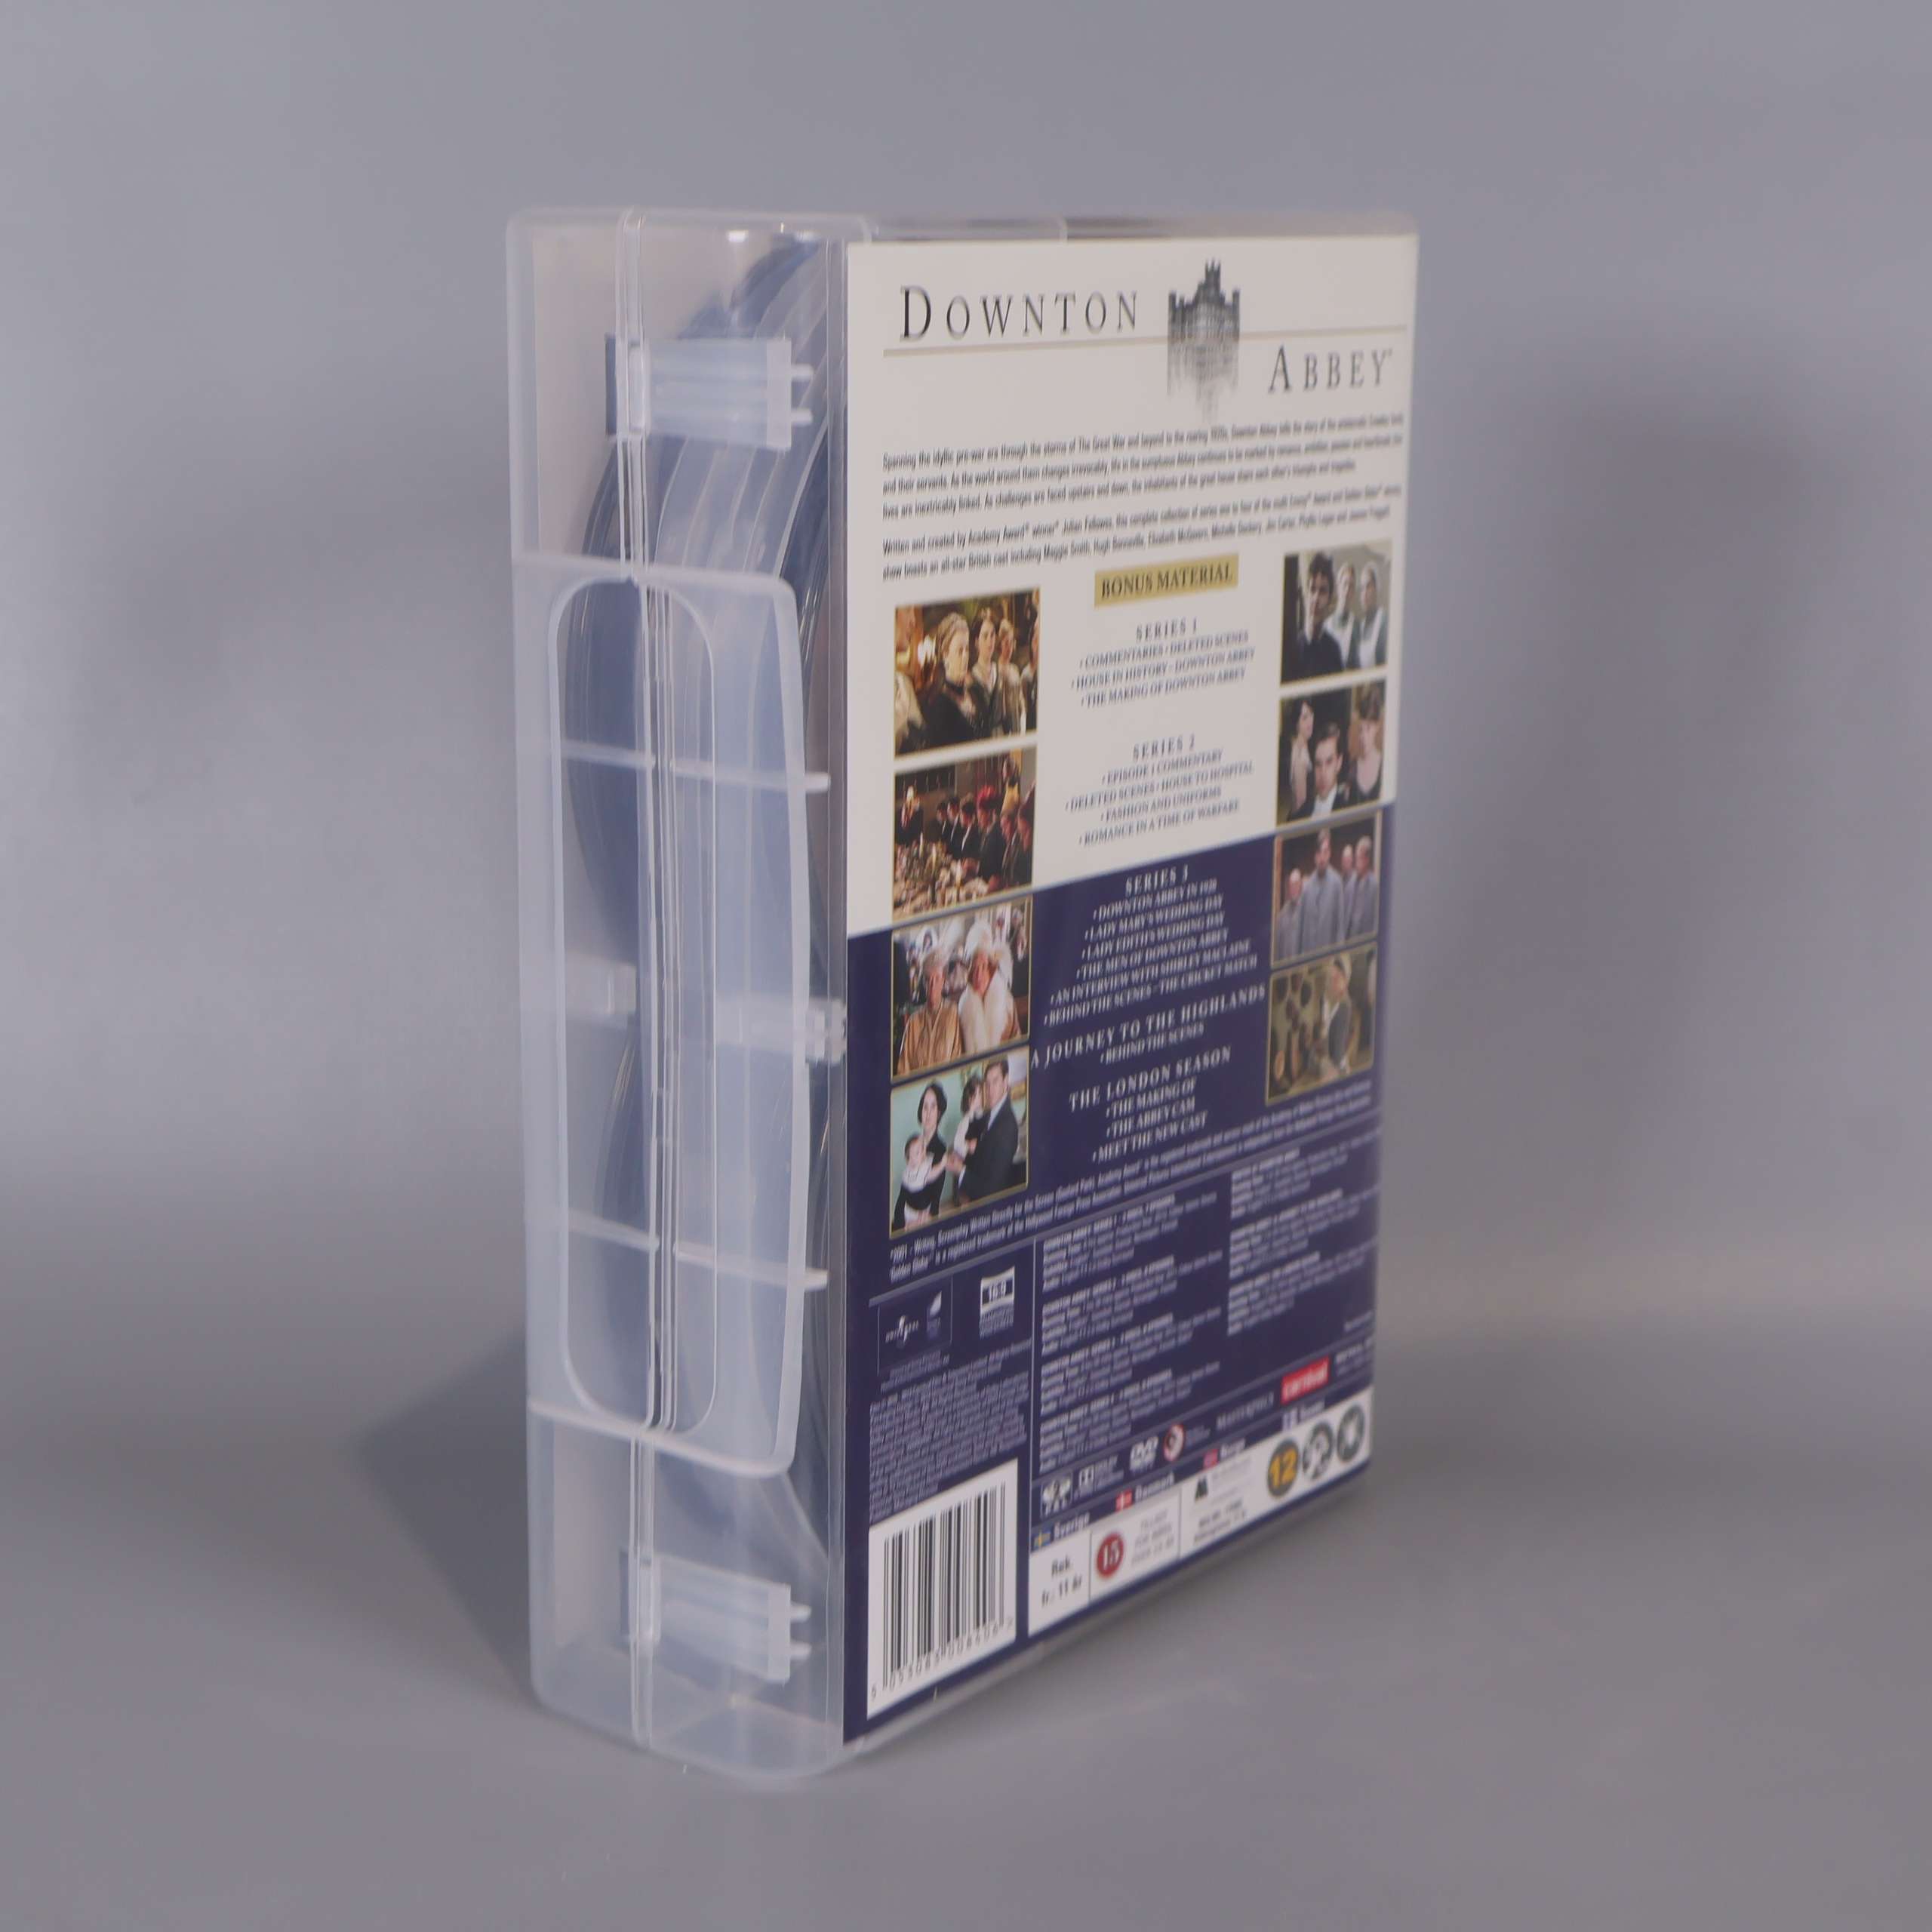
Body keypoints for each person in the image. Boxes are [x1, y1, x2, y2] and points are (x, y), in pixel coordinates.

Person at [950, 1056, 1020, 1203]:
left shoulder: (1007, 1126)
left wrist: (961, 1171)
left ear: (1006, 1081)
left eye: (995, 1081)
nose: (990, 1089)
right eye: (987, 1083)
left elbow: (992, 1189)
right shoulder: (989, 1115)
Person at [893, 1083, 952, 1230]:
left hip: (923, 1218)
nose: (928, 1113)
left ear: (939, 1112)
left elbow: (934, 1198)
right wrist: (903, 1224)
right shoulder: (915, 1143)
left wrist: (916, 1224)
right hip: (906, 1214)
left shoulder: (940, 1149)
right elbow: (904, 1191)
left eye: (933, 1107)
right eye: (925, 1107)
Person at [897, 953, 966, 1076]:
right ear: (924, 983)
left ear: (943, 981)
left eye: (937, 979)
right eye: (928, 979)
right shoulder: (913, 1022)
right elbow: (903, 1068)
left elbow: (958, 1058)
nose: (932, 985)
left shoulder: (953, 1014)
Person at [921, 613, 983, 747]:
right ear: (945, 655)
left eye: (967, 649)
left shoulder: (976, 693)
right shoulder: (938, 705)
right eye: (960, 651)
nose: (965, 656)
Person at [1284, 554, 1343, 684]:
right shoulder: (1292, 649)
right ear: (1306, 594)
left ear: (1329, 600)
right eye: (1312, 589)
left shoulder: (1334, 651)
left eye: (1322, 591)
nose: (1316, 599)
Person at [958, 945, 1017, 1054]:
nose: (978, 975)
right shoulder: (963, 1006)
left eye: (983, 967)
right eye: (975, 968)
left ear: (991, 971)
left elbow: (1016, 1040)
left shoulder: (1007, 1001)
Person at [1297, 829, 1346, 952]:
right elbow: (1300, 929)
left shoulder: (1337, 884)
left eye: (1325, 852)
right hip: (1308, 956)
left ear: (1329, 854)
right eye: (1319, 853)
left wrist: (1338, 956)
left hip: (1328, 957)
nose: (1322, 858)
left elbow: (1340, 926)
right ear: (1315, 856)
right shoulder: (1307, 887)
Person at [1300, 721, 1353, 821]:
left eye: (1329, 762)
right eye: (1318, 764)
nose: (1323, 774)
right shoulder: (1301, 813)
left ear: (1339, 763)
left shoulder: (1350, 812)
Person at [894, 1134, 942, 1229]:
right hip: (911, 1213)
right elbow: (901, 1202)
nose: (922, 1153)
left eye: (923, 1149)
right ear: (910, 1162)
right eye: (917, 1153)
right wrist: (907, 1224)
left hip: (926, 1209)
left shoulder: (928, 1163)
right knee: (911, 1226)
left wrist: (929, 1214)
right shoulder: (908, 1175)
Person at [1279, 697, 1315, 820]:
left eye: (1311, 714)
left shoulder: (1303, 746)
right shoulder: (1299, 754)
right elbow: (1300, 802)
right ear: (1296, 723)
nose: (1310, 721)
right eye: (1305, 718)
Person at [1318, 955, 1353, 1080]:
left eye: (1337, 977)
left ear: (1345, 980)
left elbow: (1338, 1051)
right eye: (1331, 978)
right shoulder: (1328, 1002)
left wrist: (1330, 1068)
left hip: (1337, 1069)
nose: (1332, 981)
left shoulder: (1344, 1007)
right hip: (1331, 1064)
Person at [969, 611, 1004, 735]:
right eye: (985, 636)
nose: (990, 641)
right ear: (976, 642)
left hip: (1001, 736)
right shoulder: (971, 677)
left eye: (992, 635)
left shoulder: (999, 671)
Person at [1349, 685, 1384, 802]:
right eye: (1361, 729)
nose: (1363, 737)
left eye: (1368, 728)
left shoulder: (1384, 767)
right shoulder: (1353, 768)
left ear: (1377, 727)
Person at [1349, 563, 1387, 670]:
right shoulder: (1359, 627)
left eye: (1368, 586)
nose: (1365, 593)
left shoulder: (1384, 621)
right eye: (1362, 588)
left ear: (1376, 589)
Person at [995, 617, 1029, 737]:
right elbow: (1001, 706)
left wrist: (1023, 715)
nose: (1010, 647)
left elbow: (1020, 696)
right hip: (1006, 725)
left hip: (1018, 721)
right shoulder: (997, 670)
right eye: (1006, 643)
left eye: (1011, 642)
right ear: (1000, 645)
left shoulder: (1014, 669)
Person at [1325, 560, 1358, 663]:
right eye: (1345, 584)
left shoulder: (1356, 627)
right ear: (1338, 586)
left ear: (1353, 592)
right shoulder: (1326, 627)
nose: (1347, 590)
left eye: (1351, 586)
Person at [1346, 835, 1379, 940]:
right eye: (1356, 858)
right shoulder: (1350, 884)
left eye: (1359, 858)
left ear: (1367, 859)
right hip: (1350, 940)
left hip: (1366, 941)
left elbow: (1376, 919)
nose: (1356, 863)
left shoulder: (1375, 886)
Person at [1273, 864, 1304, 961]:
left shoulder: (1306, 910)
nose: (1293, 888)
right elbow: (1277, 943)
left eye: (1296, 884)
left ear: (1300, 885)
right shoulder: (1283, 914)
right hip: (1285, 964)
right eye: (1291, 885)